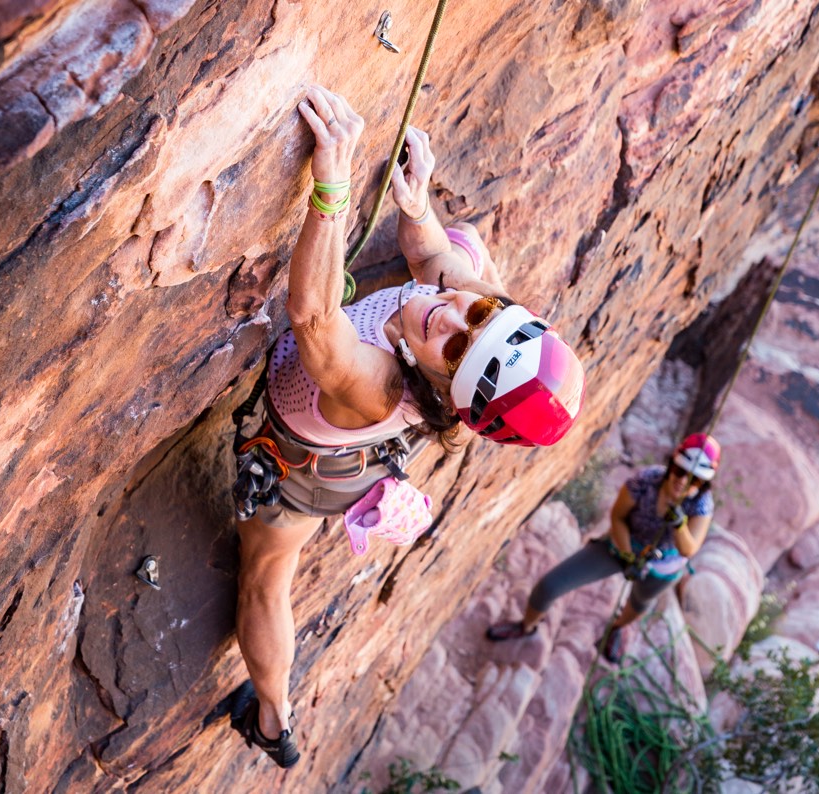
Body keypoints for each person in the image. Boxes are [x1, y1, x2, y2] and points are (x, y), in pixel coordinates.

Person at [230, 85, 586, 768]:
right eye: (479, 317)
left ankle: (273, 716)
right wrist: (417, 203)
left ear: (449, 391)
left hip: (307, 462)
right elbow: (434, 259)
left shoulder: (382, 387)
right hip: (357, 454)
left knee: (267, 575)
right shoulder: (474, 307)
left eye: (456, 345)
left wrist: (331, 189)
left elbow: (313, 319)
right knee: (468, 248)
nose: (448, 313)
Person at [486, 434, 720, 664]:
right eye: (680, 471)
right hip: (621, 545)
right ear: (672, 465)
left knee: (638, 606)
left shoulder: (700, 504)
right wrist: (628, 555)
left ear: (703, 484)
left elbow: (689, 549)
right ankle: (527, 625)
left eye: (694, 480)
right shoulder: (647, 480)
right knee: (549, 586)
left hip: (662, 567)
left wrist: (679, 525)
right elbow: (618, 517)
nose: (683, 481)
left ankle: (617, 627)